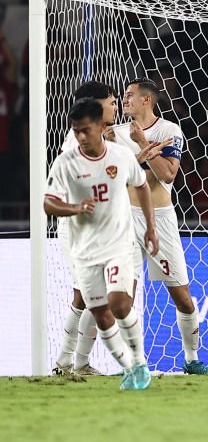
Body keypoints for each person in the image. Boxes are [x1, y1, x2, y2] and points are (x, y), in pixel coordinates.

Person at [45, 98, 158, 390]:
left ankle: (139, 361)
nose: (81, 137)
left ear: (101, 126)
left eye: (85, 130)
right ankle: (129, 368)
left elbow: (142, 185)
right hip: (84, 252)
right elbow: (48, 203)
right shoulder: (66, 163)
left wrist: (151, 228)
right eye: (76, 131)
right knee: (101, 314)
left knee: (120, 303)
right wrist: (74, 208)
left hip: (119, 245)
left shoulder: (120, 156)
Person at [113, 78, 208, 374]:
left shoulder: (169, 131)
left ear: (147, 100)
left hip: (161, 219)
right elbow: (111, 175)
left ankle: (192, 359)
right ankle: (131, 362)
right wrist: (143, 156)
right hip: (126, 218)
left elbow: (168, 175)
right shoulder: (114, 134)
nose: (124, 100)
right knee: (123, 296)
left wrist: (143, 143)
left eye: (129, 95)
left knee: (182, 297)